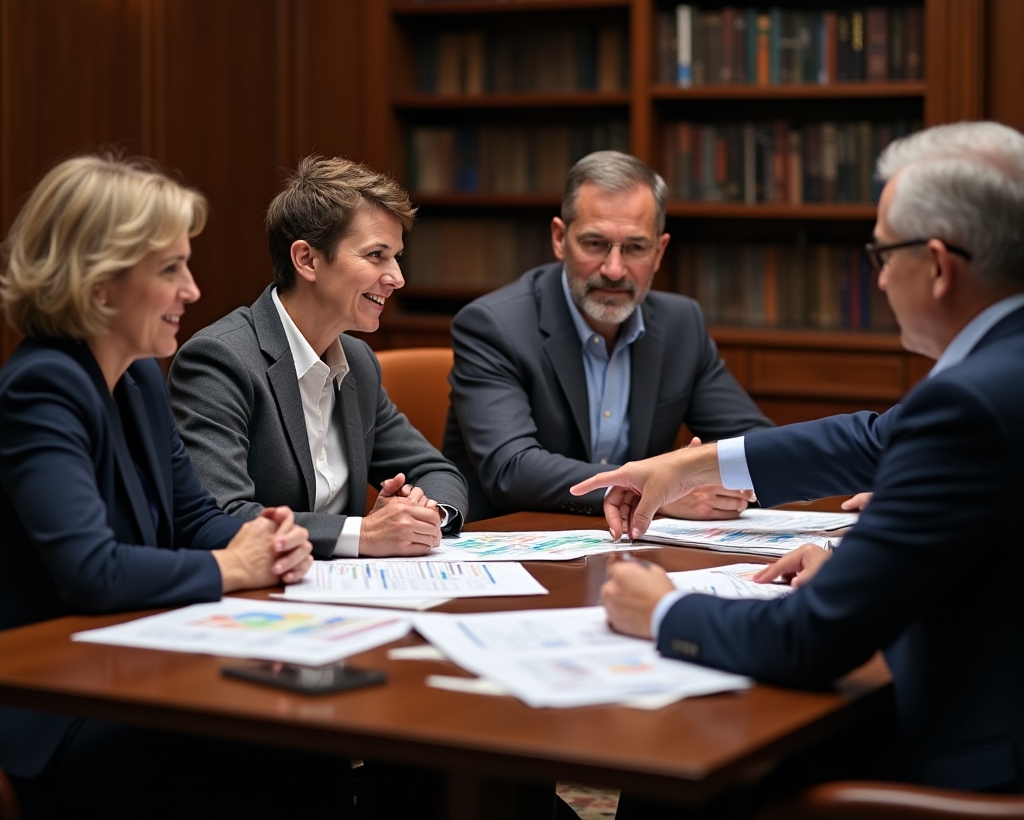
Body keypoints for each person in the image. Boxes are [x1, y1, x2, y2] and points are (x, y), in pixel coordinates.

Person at [574, 122, 1024, 798]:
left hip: (973, 765)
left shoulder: (969, 402)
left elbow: (814, 641)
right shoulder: (999, 369)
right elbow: (878, 442)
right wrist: (689, 470)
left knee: (688, 769)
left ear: (936, 266)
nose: (876, 279)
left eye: (881, 253)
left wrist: (662, 610)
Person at [0, 155, 357, 819]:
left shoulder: (136, 377)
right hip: (56, 697)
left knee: (315, 734)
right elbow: (91, 571)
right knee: (281, 746)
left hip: (135, 659)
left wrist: (267, 542)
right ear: (100, 285)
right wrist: (233, 564)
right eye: (170, 270)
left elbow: (194, 517)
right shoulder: (41, 387)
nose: (193, 291)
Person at [442, 150, 772, 521]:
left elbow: (756, 443)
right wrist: (654, 488)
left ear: (659, 251)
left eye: (634, 248)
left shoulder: (682, 324)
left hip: (634, 548)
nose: (614, 269)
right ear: (559, 238)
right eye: (595, 244)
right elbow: (512, 468)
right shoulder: (494, 325)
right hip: (519, 545)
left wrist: (723, 476)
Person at [169, 156, 469, 560]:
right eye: (377, 255)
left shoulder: (358, 362)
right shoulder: (220, 360)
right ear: (307, 260)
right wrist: (360, 534)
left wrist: (421, 514)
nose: (397, 277)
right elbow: (220, 515)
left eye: (397, 256)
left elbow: (438, 472)